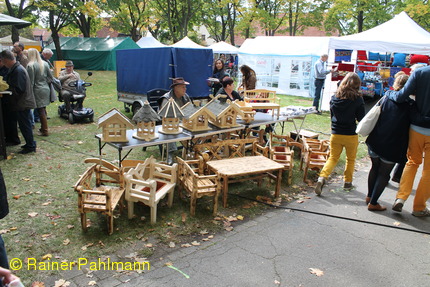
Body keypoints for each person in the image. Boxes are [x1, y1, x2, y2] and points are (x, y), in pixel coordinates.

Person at [388, 65, 430, 217]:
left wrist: (390, 93)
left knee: (412, 162)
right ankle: (419, 207)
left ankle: (401, 197)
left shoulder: (420, 72)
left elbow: (401, 96)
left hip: (417, 127)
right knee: (429, 171)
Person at [365, 73, 411, 211]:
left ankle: (369, 196)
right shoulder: (410, 105)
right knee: (384, 174)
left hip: (375, 139)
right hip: (392, 145)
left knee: (374, 168)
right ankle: (373, 202)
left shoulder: (386, 96)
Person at [314, 72, 365, 195]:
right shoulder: (358, 99)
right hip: (351, 134)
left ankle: (322, 177)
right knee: (350, 159)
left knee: (333, 157)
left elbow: (332, 115)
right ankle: (347, 182)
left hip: (336, 133)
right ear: (357, 85)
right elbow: (361, 118)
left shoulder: (335, 97)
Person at [1, 49, 37, 154]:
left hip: (23, 103)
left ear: (6, 60)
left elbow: (19, 89)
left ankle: (30, 146)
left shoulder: (18, 70)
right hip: (22, 102)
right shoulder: (16, 68)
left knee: (25, 125)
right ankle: (29, 144)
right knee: (24, 125)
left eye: (3, 61)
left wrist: (7, 90)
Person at [160, 78, 191, 165]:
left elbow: (190, 109)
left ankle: (191, 150)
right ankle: (171, 154)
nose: (185, 89)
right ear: (176, 88)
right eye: (183, 87)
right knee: (170, 131)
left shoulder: (186, 97)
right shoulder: (167, 99)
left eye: (185, 87)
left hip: (184, 121)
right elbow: (165, 115)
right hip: (171, 122)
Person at [27, 48, 52, 136]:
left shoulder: (31, 66)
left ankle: (45, 130)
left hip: (37, 89)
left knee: (40, 110)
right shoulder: (45, 64)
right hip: (45, 88)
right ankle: (43, 128)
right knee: (43, 109)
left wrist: (28, 93)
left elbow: (31, 82)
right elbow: (50, 78)